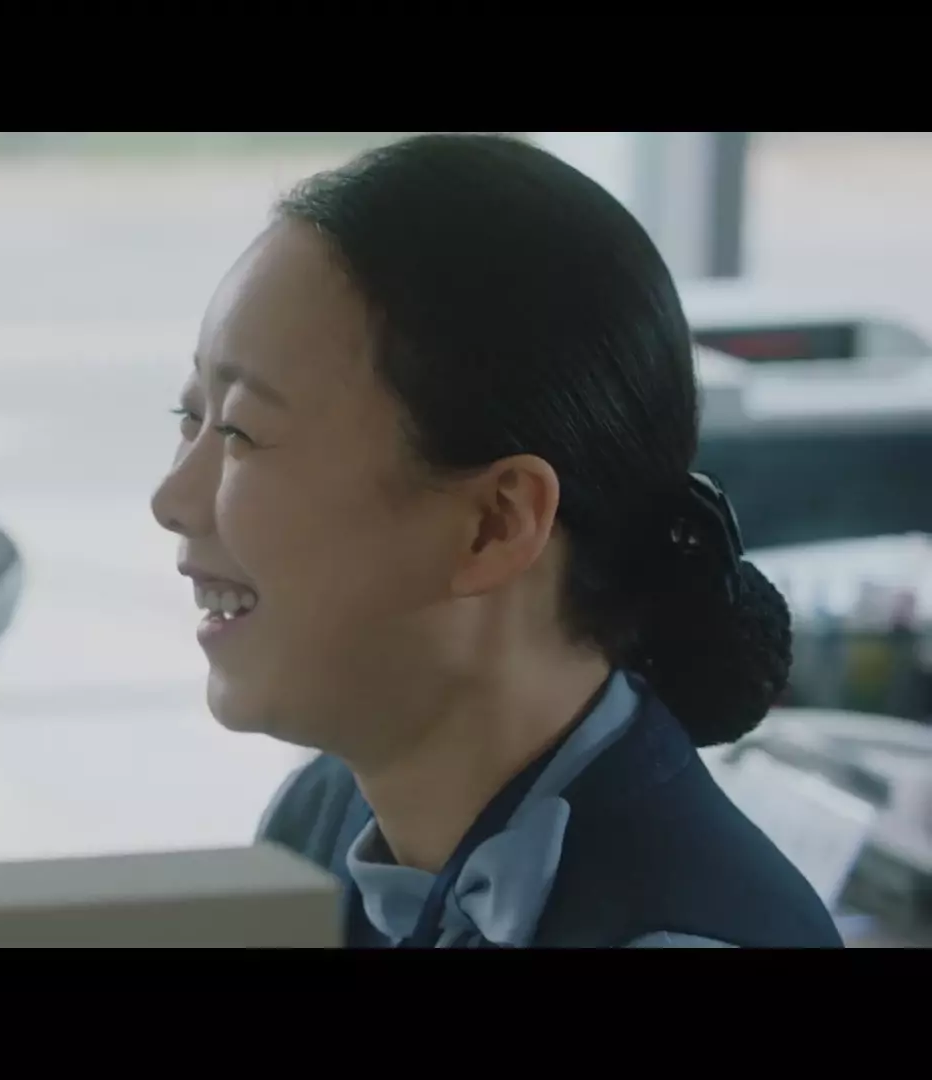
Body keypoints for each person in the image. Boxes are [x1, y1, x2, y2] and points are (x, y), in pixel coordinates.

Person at [150, 133, 843, 948]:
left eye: (240, 431)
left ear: (495, 524)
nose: (172, 501)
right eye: (190, 417)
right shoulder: (319, 820)